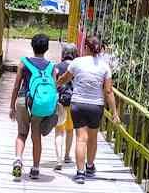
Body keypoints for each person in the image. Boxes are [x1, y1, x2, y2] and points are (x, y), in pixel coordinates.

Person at [57, 35, 120, 184]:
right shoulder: (105, 66)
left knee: (81, 138)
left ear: (85, 47)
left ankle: (80, 173)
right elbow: (109, 91)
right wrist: (114, 113)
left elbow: (64, 79)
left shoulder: (77, 62)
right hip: (96, 106)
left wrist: (55, 84)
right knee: (92, 138)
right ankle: (90, 166)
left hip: (78, 105)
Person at [9, 33, 57, 179]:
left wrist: (12, 106)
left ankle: (18, 160)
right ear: (47, 48)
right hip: (39, 105)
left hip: (24, 101)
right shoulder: (51, 67)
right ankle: (35, 169)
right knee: (36, 136)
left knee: (22, 133)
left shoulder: (24, 63)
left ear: (32, 46)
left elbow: (17, 85)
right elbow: (53, 89)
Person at [53, 42, 78, 170]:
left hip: (60, 103)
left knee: (59, 131)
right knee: (70, 130)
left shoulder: (56, 67)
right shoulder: (78, 67)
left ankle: (58, 160)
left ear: (63, 54)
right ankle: (67, 156)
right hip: (73, 103)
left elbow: (54, 85)